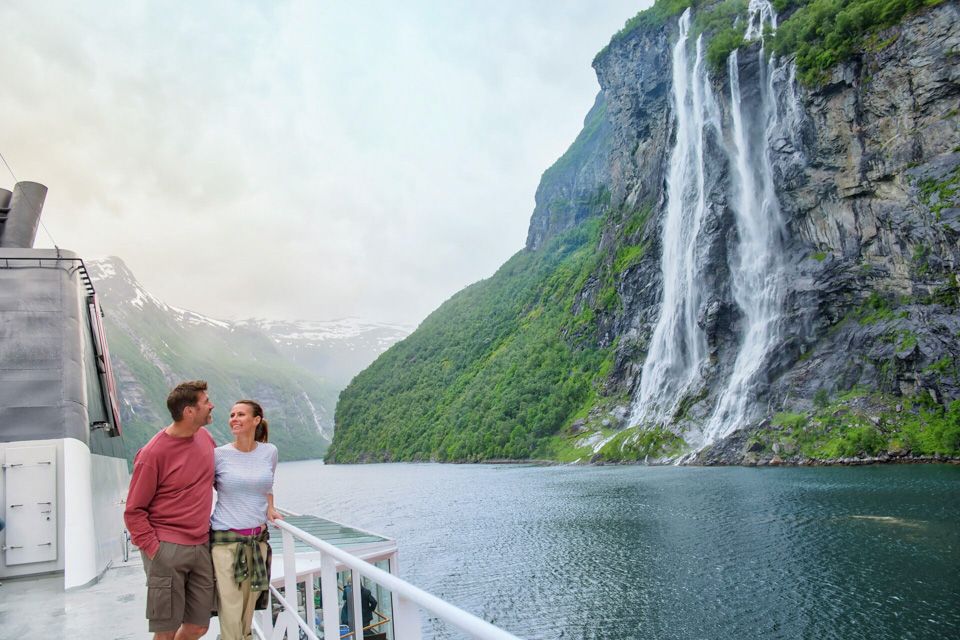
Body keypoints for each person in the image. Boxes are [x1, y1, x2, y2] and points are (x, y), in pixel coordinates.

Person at [124, 380, 217, 640]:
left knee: (199, 626)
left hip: (201, 546)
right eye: (206, 401)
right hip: (167, 549)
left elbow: (218, 478)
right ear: (189, 411)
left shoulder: (205, 438)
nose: (212, 405)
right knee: (165, 631)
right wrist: (156, 552)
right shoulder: (152, 454)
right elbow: (134, 510)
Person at [209, 399, 281, 640]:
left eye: (240, 414)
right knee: (230, 609)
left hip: (257, 542)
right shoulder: (218, 455)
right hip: (225, 542)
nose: (234, 419)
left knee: (247, 611)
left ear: (256, 420)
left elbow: (267, 485)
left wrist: (270, 507)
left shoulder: (269, 452)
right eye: (231, 415)